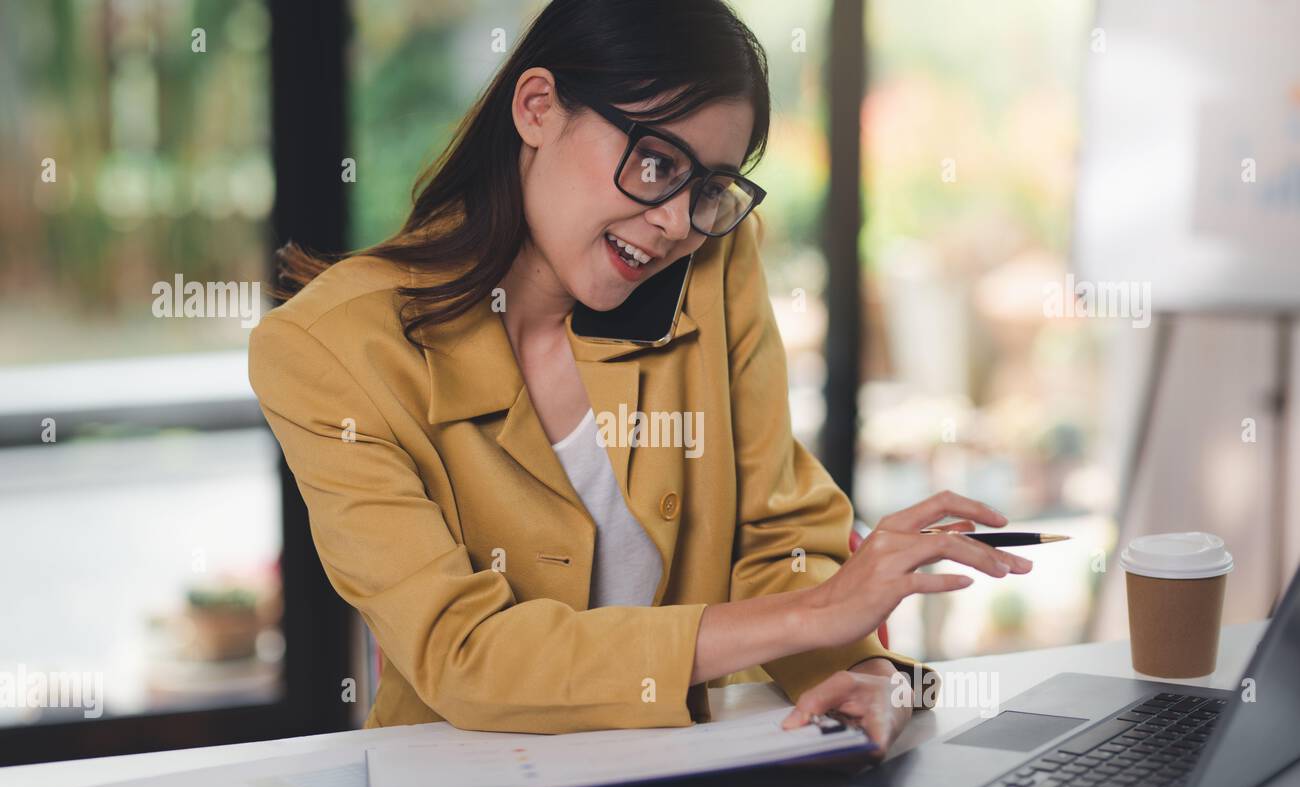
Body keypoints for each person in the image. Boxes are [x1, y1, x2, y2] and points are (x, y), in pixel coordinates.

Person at [248, 0, 1032, 748]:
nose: (675, 222)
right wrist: (814, 613)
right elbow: (464, 653)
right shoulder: (328, 349)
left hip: (692, 786)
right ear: (537, 108)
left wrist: (859, 671)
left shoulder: (716, 261)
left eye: (710, 189)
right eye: (657, 162)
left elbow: (776, 534)